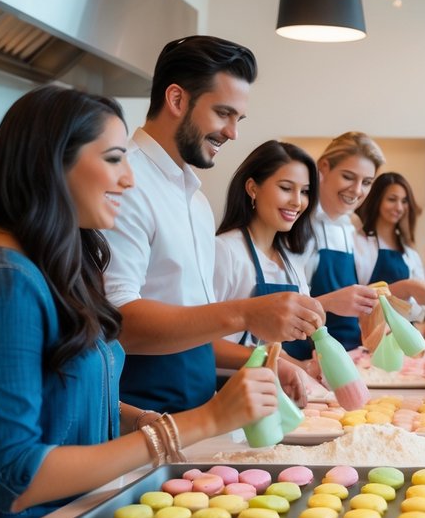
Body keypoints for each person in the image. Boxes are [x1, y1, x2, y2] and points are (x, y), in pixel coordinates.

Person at [0, 86, 279, 518]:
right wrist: (201, 422)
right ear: (51, 163)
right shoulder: (1, 281)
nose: (128, 179)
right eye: (113, 159)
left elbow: (62, 397)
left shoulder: (50, 269)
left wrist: (137, 418)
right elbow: (15, 477)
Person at [103, 36, 321, 412]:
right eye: (223, 113)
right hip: (138, 413)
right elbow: (117, 321)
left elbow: (195, 331)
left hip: (198, 410)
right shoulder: (125, 181)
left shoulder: (197, 201)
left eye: (239, 118)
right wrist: (247, 313)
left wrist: (271, 361)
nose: (233, 133)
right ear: (176, 100)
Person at [213, 141, 318, 360]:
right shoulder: (225, 251)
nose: (297, 202)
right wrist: (278, 363)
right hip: (236, 385)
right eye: (286, 188)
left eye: (305, 191)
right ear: (252, 188)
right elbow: (201, 341)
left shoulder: (290, 257)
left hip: (286, 385)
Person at [288, 132, 385, 357]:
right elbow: (280, 307)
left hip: (349, 353)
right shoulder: (296, 222)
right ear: (323, 168)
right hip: (306, 355)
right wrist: (331, 302)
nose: (358, 190)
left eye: (367, 182)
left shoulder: (349, 226)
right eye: (348, 177)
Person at [354, 172, 425, 306]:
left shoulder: (409, 252)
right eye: (392, 199)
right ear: (377, 200)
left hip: (406, 324)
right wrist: (406, 288)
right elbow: (355, 294)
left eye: (404, 201)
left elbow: (420, 303)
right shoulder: (358, 241)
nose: (399, 207)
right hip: (367, 325)